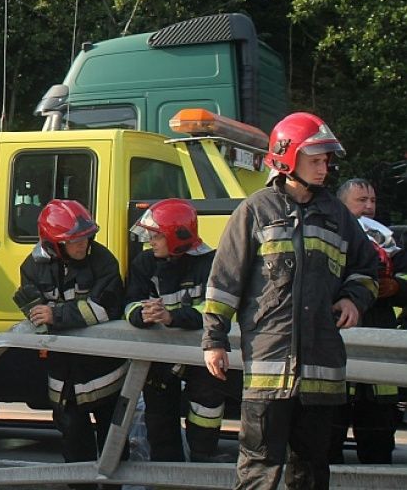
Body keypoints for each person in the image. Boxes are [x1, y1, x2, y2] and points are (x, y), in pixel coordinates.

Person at [202, 112, 379, 490]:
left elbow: (368, 269)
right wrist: (214, 341)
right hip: (269, 368)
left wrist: (353, 299)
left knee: (313, 471)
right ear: (287, 158)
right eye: (315, 159)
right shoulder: (254, 210)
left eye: (326, 160)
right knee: (259, 469)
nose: (324, 168)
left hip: (321, 372)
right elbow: (223, 283)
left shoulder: (337, 215)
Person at [20, 199, 126, 488]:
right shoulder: (32, 266)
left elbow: (106, 308)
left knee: (114, 444)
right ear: (54, 244)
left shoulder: (103, 261)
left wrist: (56, 315)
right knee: (73, 442)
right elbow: (33, 310)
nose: (83, 244)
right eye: (74, 240)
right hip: (63, 374)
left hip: (104, 371)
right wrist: (44, 317)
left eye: (86, 237)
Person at [124, 198, 232, 463]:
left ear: (177, 236)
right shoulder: (145, 263)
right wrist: (142, 314)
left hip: (202, 356)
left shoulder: (210, 264)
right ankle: (165, 478)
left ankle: (201, 467)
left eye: (156, 235)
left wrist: (171, 317)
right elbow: (129, 302)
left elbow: (214, 310)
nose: (150, 241)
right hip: (160, 356)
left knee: (205, 414)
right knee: (159, 424)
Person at [327, 178, 407, 464]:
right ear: (342, 204)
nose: (370, 207)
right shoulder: (329, 235)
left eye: (372, 200)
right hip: (338, 351)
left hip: (378, 353)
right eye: (362, 200)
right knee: (327, 447)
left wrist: (397, 287)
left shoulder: (391, 240)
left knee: (378, 447)